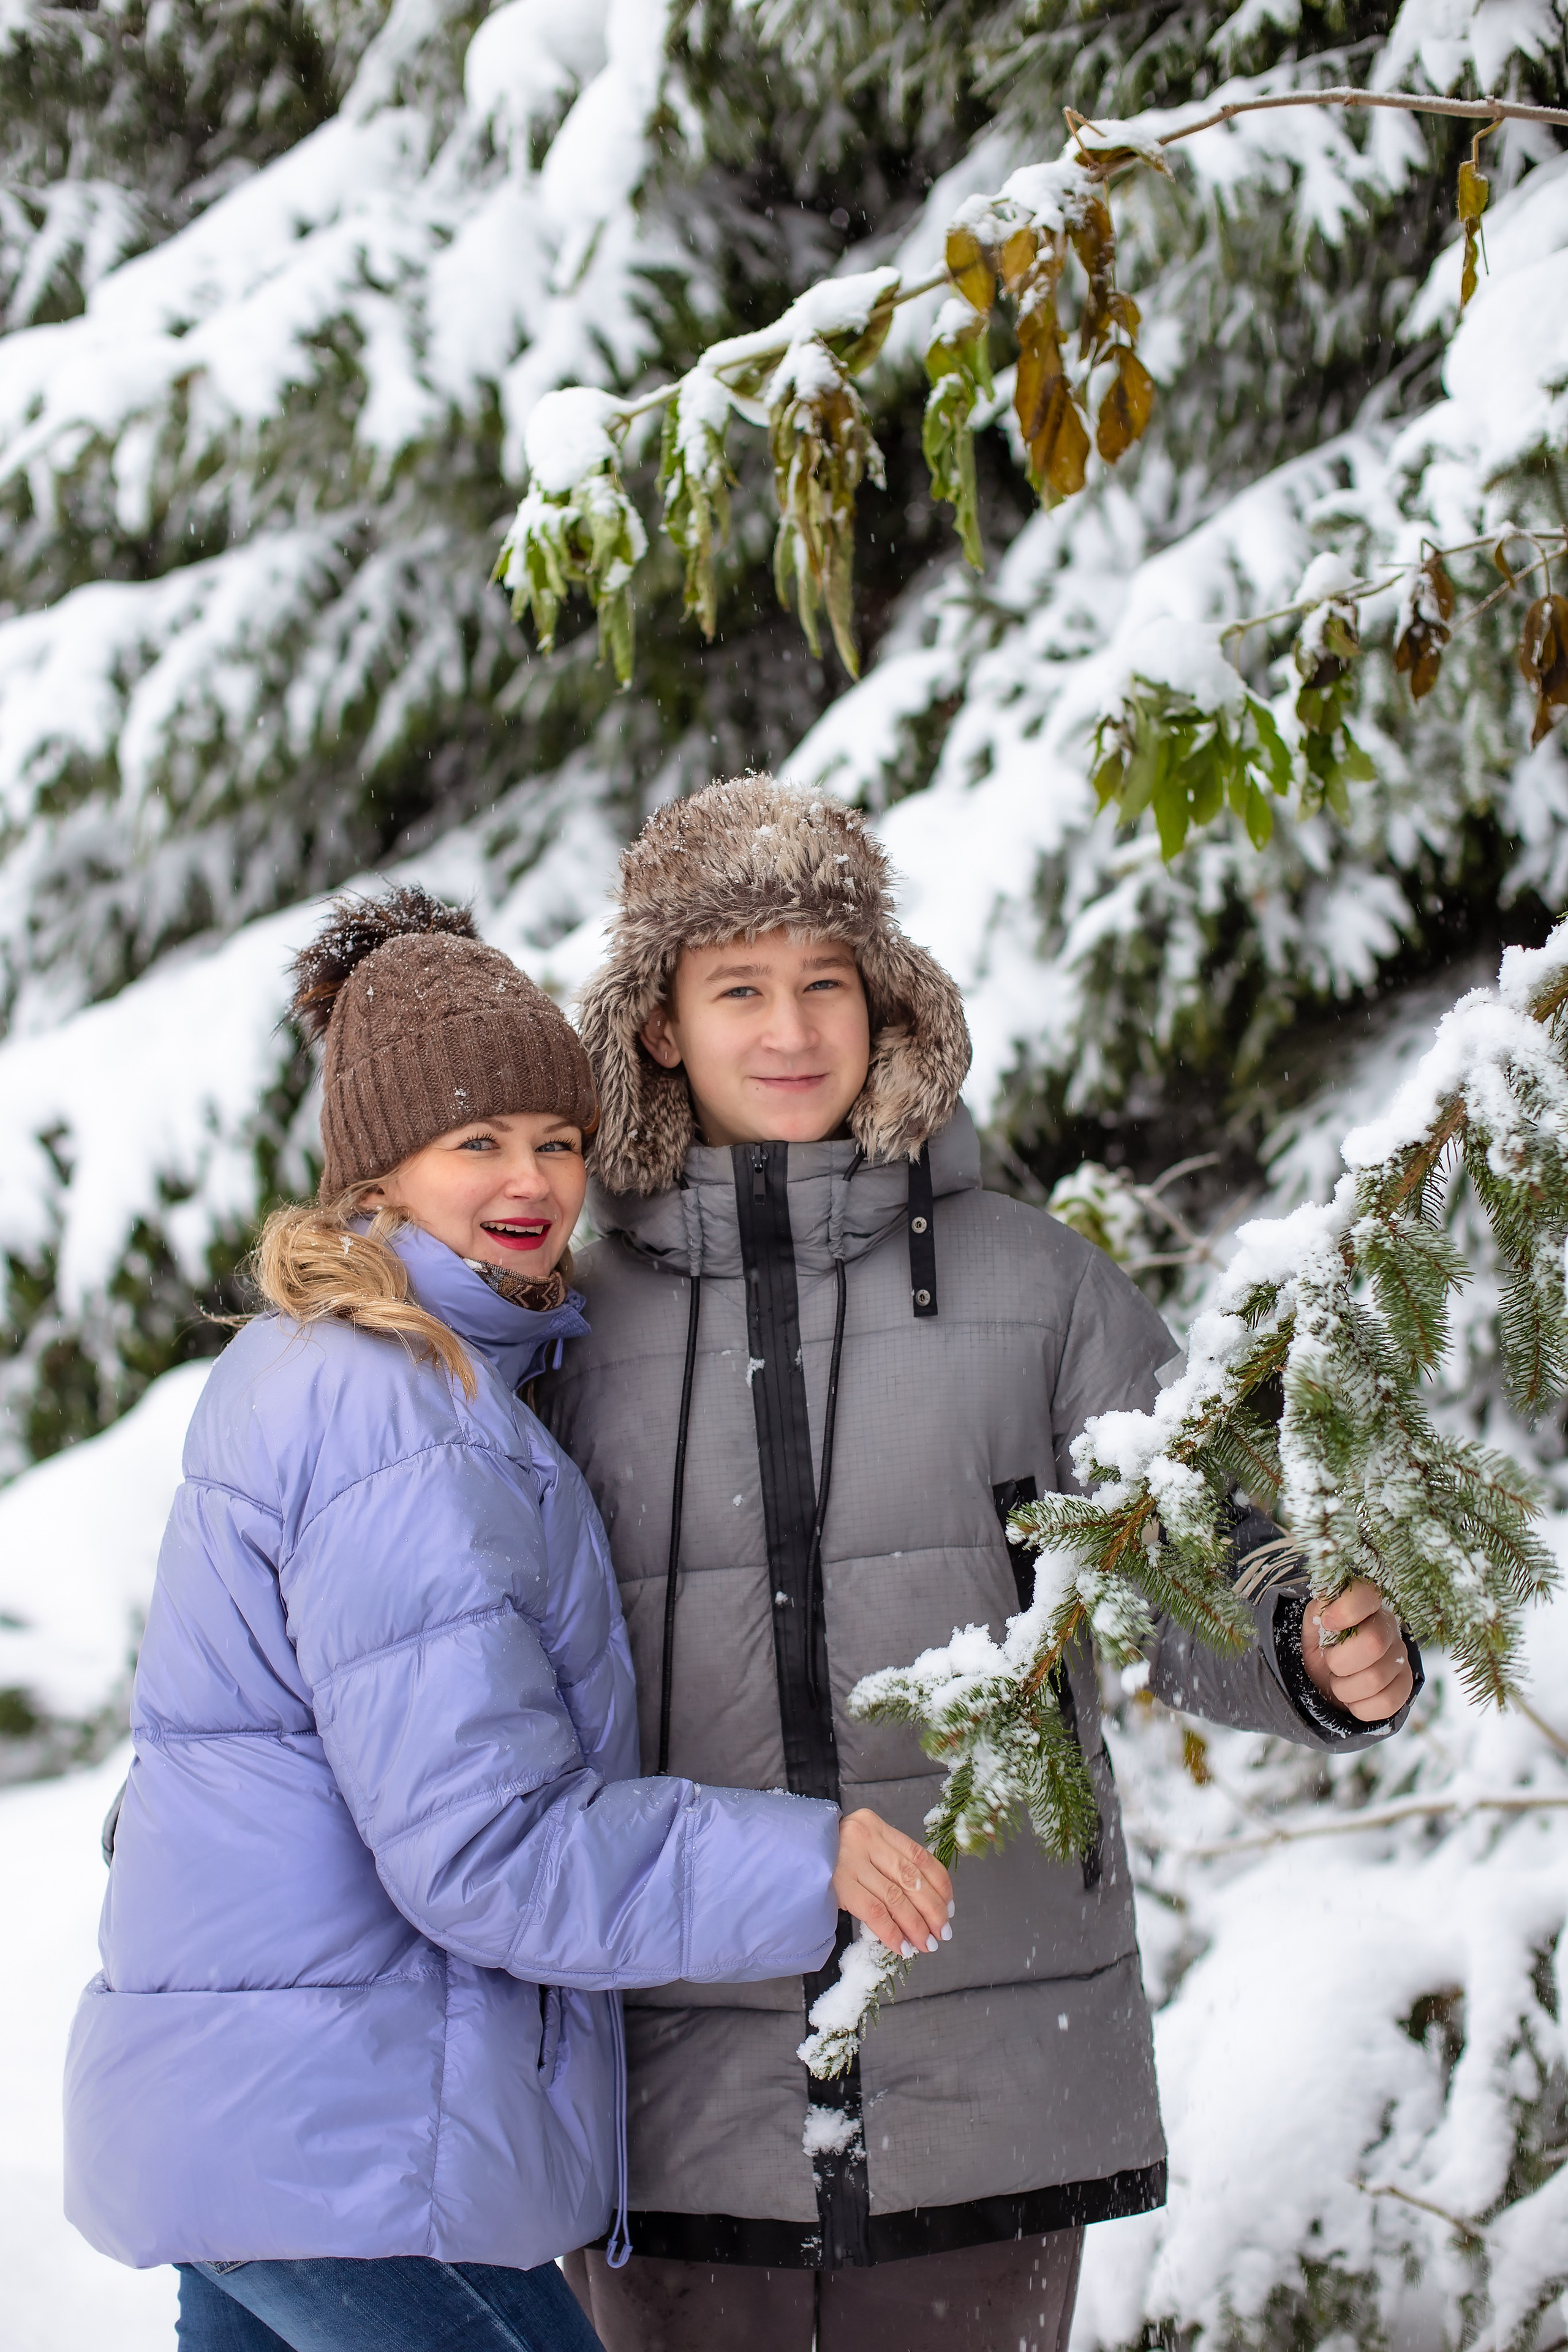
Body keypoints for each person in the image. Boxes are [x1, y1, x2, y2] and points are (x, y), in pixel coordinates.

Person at [542, 774, 1420, 2352]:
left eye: (826, 981)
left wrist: (1306, 1649)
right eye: (736, 986)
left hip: (994, 2088)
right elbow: (455, 1641)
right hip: (662, 2112)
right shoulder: (568, 1328)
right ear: (658, 1027)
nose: (791, 1027)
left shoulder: (1036, 1288)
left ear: (885, 1004)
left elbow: (1198, 1557)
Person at [62, 884, 952, 2352]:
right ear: (376, 1179)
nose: (530, 1177)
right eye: (474, 1142)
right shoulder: (406, 1416)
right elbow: (484, 1847)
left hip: (261, 2134)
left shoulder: (324, 1370)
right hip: (355, 2157)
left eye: (555, 1140)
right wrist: (808, 1860)